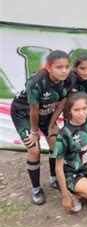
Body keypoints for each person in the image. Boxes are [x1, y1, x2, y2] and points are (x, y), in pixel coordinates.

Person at [10, 50, 70, 205]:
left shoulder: (69, 78)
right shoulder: (36, 82)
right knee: (34, 149)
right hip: (25, 114)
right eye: (59, 67)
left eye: (66, 66)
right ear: (49, 68)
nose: (64, 70)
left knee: (55, 144)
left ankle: (53, 178)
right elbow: (34, 110)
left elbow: (63, 102)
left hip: (47, 113)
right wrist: (35, 132)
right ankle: (36, 189)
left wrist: (51, 125)